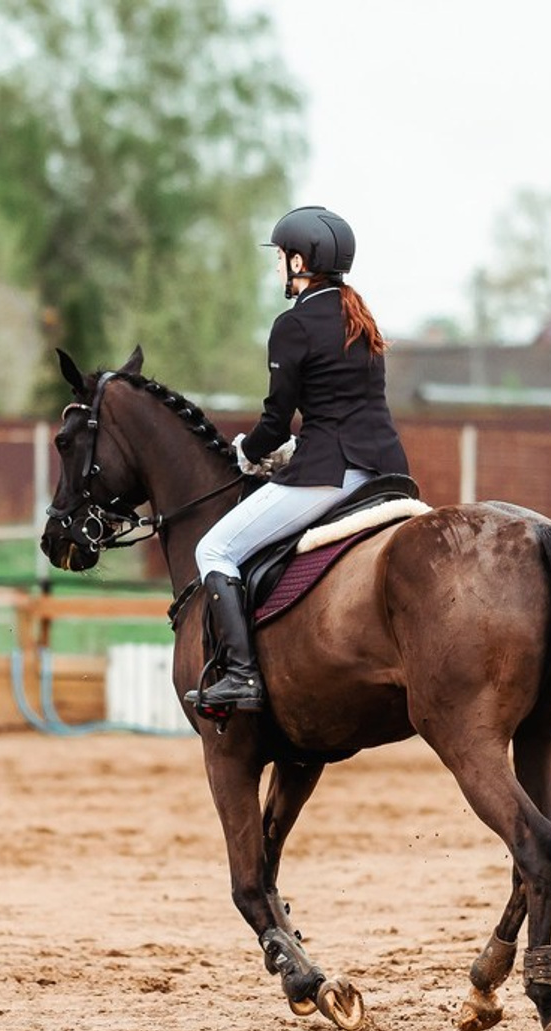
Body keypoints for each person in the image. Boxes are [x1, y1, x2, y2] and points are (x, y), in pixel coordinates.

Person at [188, 205, 410, 717]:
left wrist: (247, 452)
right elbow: (345, 407)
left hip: (328, 475)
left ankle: (242, 675)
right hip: (388, 473)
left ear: (297, 262)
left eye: (280, 258)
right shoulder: (360, 316)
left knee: (215, 550)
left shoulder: (295, 324)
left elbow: (275, 418)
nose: (277, 269)